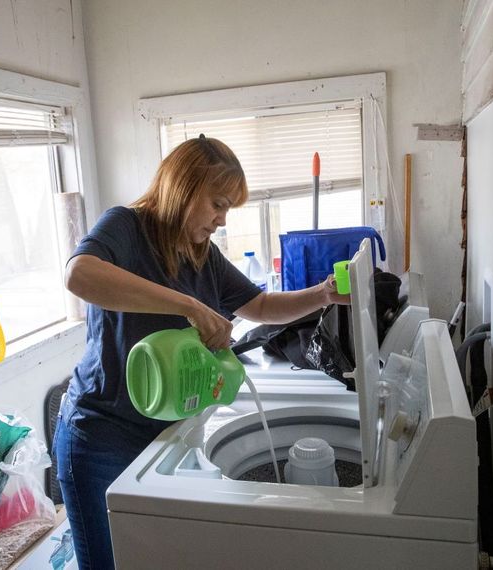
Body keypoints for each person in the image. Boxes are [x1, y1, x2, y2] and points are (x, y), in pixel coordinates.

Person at [53, 135, 349, 569]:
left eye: (228, 209)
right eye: (218, 204)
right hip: (100, 433)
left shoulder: (201, 255)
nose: (222, 220)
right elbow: (79, 276)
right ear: (184, 187)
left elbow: (263, 307)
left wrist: (323, 294)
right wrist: (189, 305)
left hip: (163, 432)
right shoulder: (126, 227)